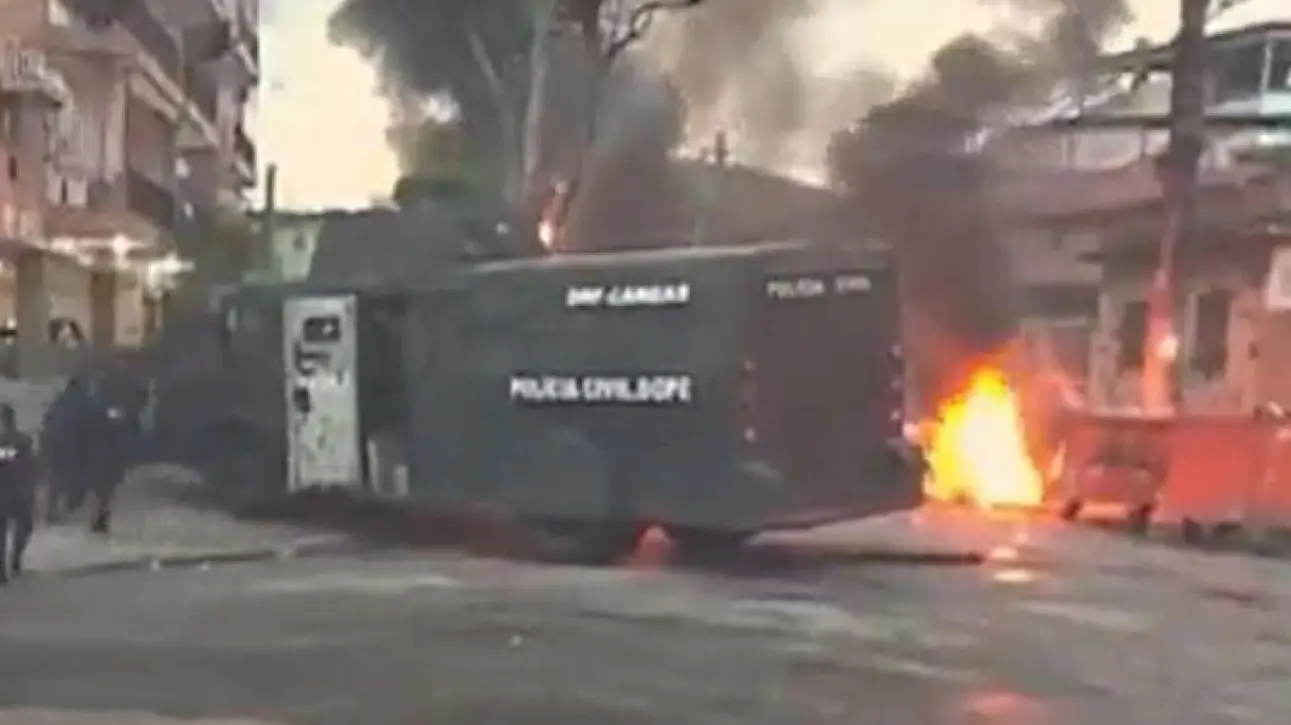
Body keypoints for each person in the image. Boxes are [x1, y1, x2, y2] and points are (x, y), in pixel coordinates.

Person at [0, 403, 38, 583]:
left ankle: (11, 563)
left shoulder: (19, 440)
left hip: (14, 490)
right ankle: (11, 563)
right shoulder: (21, 441)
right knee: (20, 527)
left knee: (18, 528)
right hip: (15, 491)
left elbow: (30, 464)